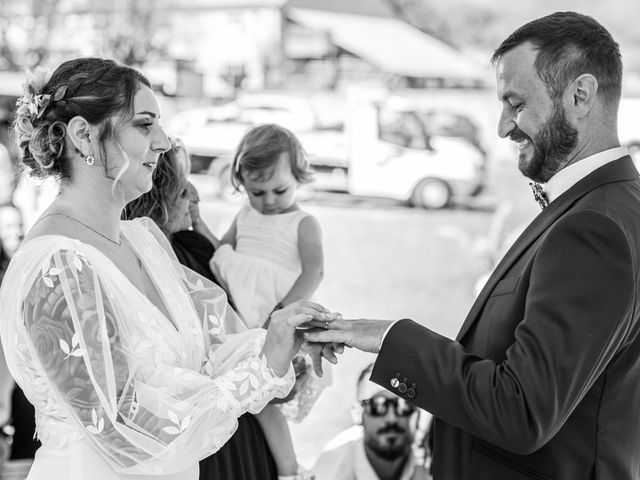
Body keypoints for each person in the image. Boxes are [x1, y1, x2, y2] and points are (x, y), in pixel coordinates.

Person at [305, 11, 640, 480]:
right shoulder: (611, 205)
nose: (503, 127)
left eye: (516, 103)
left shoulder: (592, 228)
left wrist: (390, 337)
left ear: (580, 95)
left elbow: (523, 410)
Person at [0, 57, 337, 480]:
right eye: (144, 125)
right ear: (84, 135)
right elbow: (123, 432)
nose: (163, 142)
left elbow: (215, 353)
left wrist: (287, 341)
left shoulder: (145, 240)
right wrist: (263, 370)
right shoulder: (57, 266)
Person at [125, 139, 283, 480]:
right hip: (198, 436)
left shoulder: (193, 246)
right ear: (156, 199)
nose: (195, 196)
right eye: (183, 190)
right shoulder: (148, 265)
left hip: (238, 426)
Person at [210, 123, 323, 328]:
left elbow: (314, 272)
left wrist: (281, 314)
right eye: (257, 192)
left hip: (284, 311)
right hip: (239, 309)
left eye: (280, 190)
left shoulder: (303, 223)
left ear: (298, 178)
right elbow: (221, 250)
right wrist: (197, 223)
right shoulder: (245, 214)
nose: (269, 200)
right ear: (242, 183)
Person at [313, 363, 430, 480]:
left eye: (403, 406)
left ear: (418, 414)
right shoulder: (329, 470)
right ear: (358, 414)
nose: (391, 418)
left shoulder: (436, 464)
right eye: (377, 406)